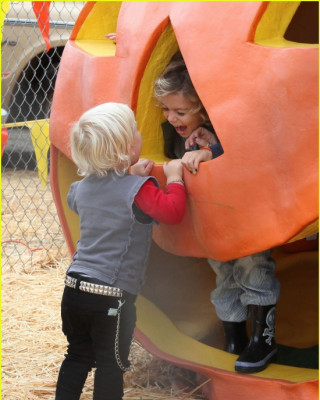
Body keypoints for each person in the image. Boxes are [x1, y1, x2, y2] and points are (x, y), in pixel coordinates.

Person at [154, 53, 280, 374]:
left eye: (181, 111)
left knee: (254, 269)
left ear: (202, 108)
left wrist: (211, 150)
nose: (172, 117)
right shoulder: (177, 134)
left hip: (246, 217)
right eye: (166, 109)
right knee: (224, 277)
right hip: (213, 224)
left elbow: (245, 148)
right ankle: (234, 337)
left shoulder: (225, 127)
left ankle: (262, 340)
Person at [55, 102, 187, 400]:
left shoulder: (80, 189)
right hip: (110, 297)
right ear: (129, 148)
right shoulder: (138, 190)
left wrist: (127, 174)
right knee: (110, 364)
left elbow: (106, 195)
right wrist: (175, 178)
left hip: (74, 289)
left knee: (76, 356)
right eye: (136, 130)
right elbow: (172, 212)